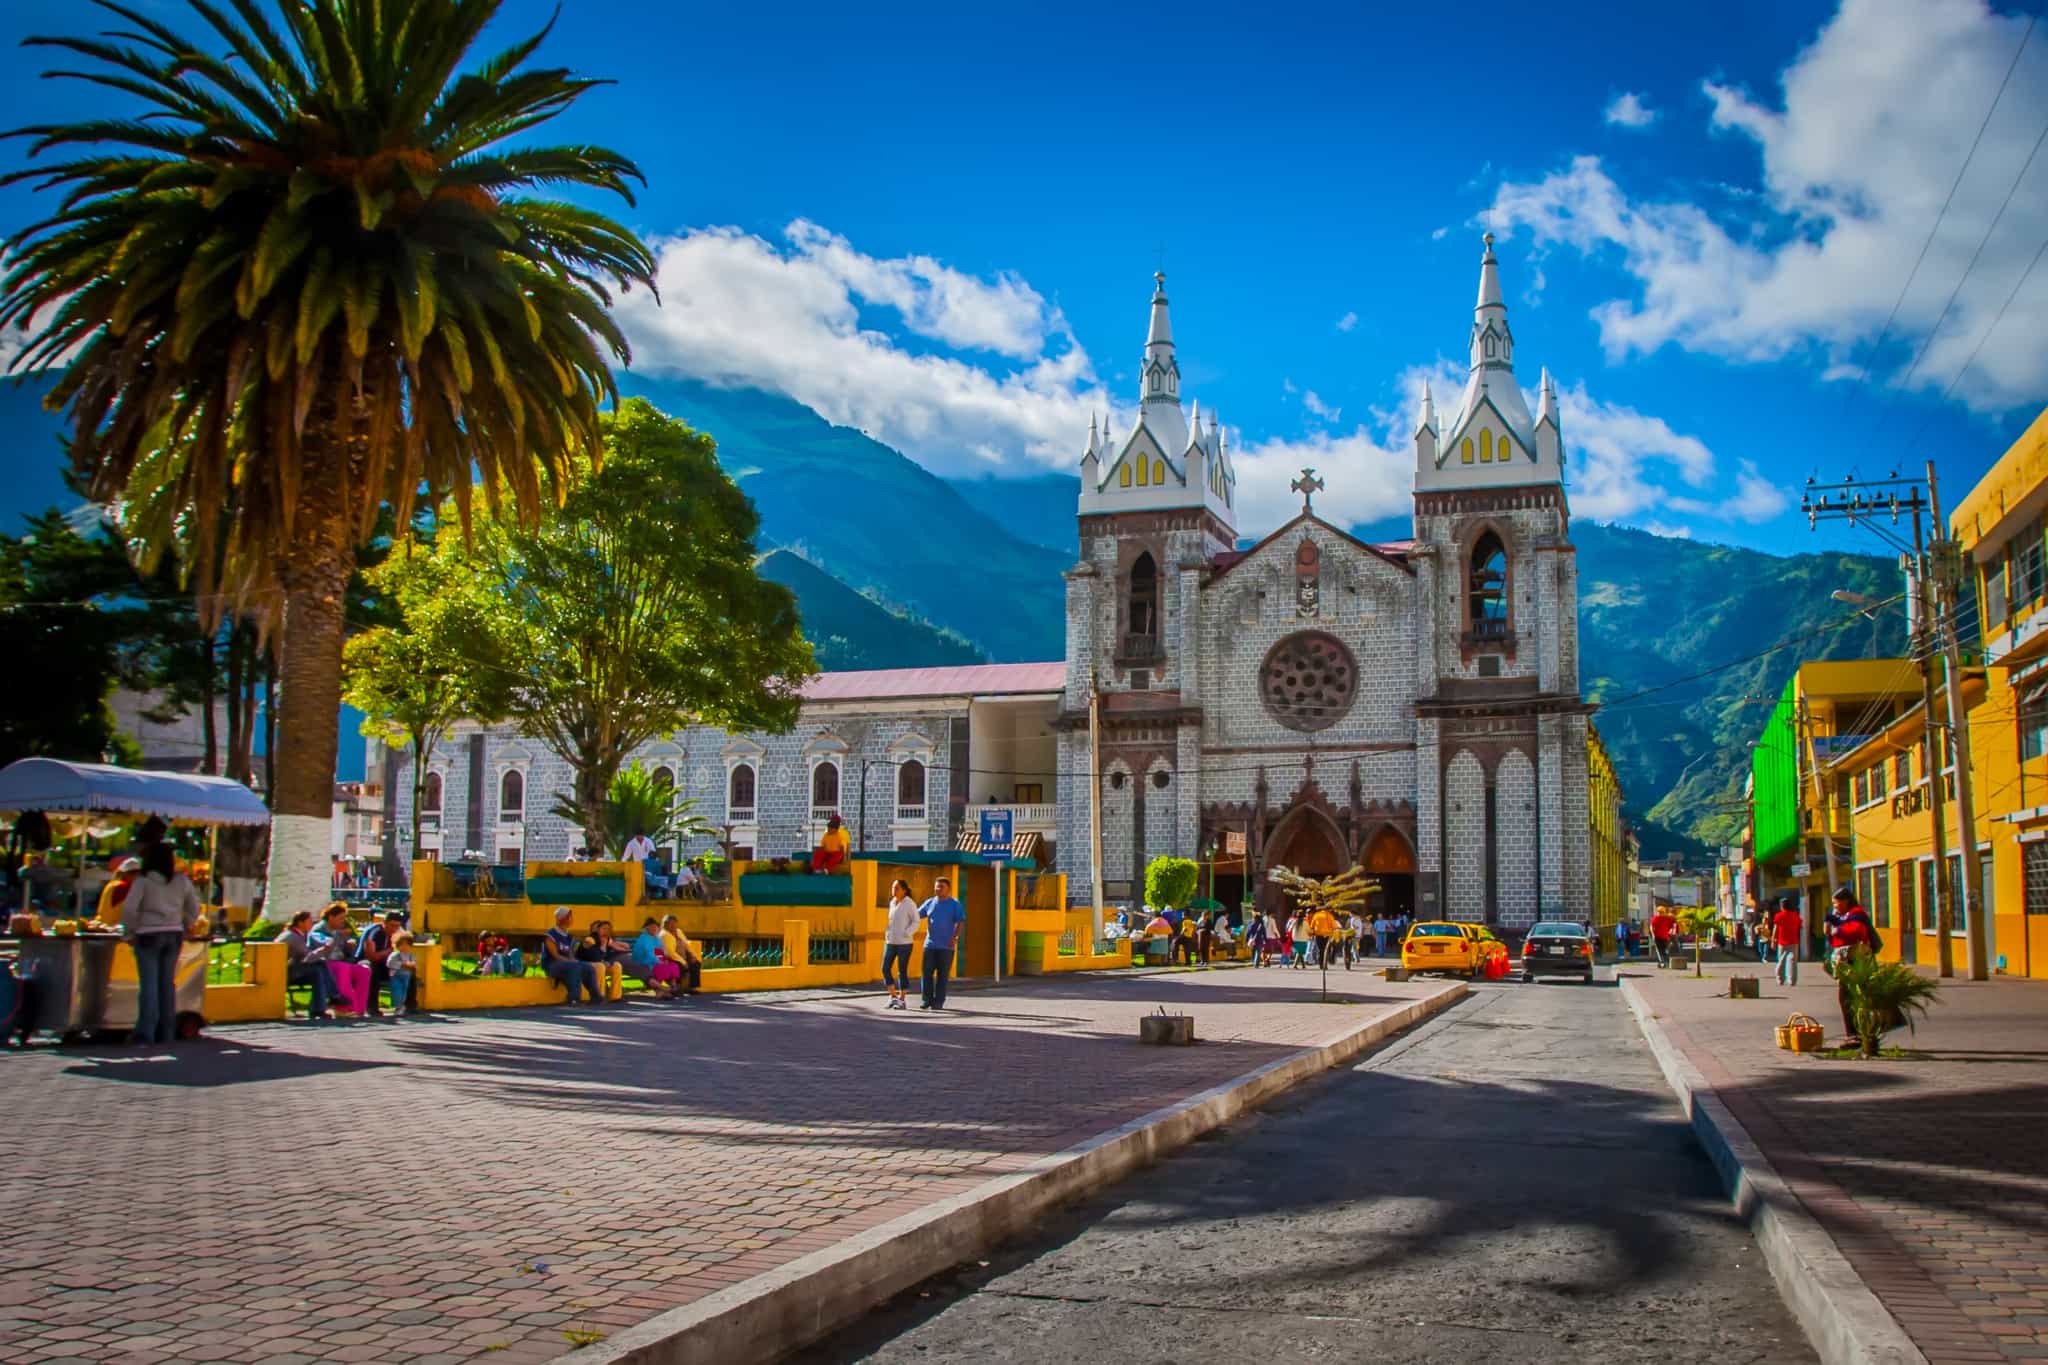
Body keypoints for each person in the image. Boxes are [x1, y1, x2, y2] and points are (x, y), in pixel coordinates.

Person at [124, 842, 203, 1046]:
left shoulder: (143, 881)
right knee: (167, 984)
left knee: (149, 985)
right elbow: (194, 908)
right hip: (174, 933)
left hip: (148, 933)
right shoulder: (181, 881)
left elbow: (130, 909)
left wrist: (130, 931)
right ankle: (166, 1032)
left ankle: (145, 1033)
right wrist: (185, 925)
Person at [1826, 886, 1878, 1045]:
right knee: (1845, 997)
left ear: (1845, 901)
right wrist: (1830, 925)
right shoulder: (1844, 916)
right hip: (1846, 961)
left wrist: (1836, 930)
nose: (1835, 907)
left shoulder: (1857, 914)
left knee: (1849, 997)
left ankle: (1857, 1034)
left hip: (1856, 961)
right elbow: (1832, 937)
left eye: (1836, 904)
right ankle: (1855, 1033)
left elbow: (1855, 932)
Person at [312, 903, 371, 1015]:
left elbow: (346, 952)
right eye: (340, 918)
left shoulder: (339, 929)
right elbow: (322, 947)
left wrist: (350, 946)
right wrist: (338, 936)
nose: (343, 921)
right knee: (342, 968)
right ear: (331, 917)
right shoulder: (319, 929)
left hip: (341, 962)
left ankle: (359, 1009)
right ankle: (344, 1007)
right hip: (325, 963)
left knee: (363, 970)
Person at [275, 909, 334, 1019]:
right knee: (318, 969)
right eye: (309, 921)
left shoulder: (296, 934)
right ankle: (328, 1000)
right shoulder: (294, 937)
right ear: (300, 923)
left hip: (289, 969)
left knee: (319, 969)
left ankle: (323, 1005)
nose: (312, 924)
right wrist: (323, 949)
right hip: (284, 973)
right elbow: (308, 957)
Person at [918, 876, 966, 1010]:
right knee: (926, 973)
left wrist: (955, 937)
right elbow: (917, 915)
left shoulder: (955, 904)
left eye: (941, 887)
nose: (938, 889)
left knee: (942, 975)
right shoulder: (930, 902)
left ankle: (938, 1002)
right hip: (930, 945)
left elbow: (960, 921)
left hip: (946, 946)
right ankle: (926, 1000)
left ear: (948, 889)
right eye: (936, 886)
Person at [542, 907, 601, 1004]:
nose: (571, 919)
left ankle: (596, 996)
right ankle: (574, 998)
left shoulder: (569, 937)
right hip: (552, 965)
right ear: (561, 919)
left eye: (570, 917)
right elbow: (555, 955)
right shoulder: (550, 935)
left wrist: (575, 961)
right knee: (575, 967)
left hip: (566, 964)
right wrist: (572, 962)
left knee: (588, 967)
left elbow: (570, 955)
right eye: (568, 917)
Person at [356, 911, 405, 1016]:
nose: (394, 929)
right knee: (373, 970)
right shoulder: (374, 932)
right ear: (384, 923)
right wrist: (389, 950)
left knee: (406, 970)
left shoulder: (398, 932)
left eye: (397, 926)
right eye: (392, 925)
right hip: (364, 962)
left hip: (384, 961)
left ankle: (407, 1005)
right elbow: (371, 956)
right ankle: (372, 1007)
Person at [883, 879, 919, 1009]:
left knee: (901, 970)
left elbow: (916, 921)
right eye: (893, 888)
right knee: (885, 968)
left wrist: (907, 933)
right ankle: (893, 997)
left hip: (904, 943)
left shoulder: (910, 904)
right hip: (891, 942)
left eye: (897, 888)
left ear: (904, 890)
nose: (894, 890)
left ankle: (902, 1000)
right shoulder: (893, 902)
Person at [629, 917, 684, 999]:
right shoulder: (644, 938)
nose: (654, 929)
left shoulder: (656, 938)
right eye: (652, 927)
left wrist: (664, 959)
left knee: (673, 965)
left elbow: (660, 951)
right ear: (647, 928)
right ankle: (661, 991)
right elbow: (649, 954)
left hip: (654, 960)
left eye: (656, 927)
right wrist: (659, 961)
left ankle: (673, 986)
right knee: (660, 968)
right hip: (644, 962)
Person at [659, 914, 702, 994]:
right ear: (665, 924)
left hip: (683, 956)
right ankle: (678, 987)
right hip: (671, 958)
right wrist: (683, 961)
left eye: (674, 923)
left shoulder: (678, 931)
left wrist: (692, 955)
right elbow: (670, 953)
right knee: (680, 966)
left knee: (696, 963)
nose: (672, 925)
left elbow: (686, 944)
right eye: (670, 923)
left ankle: (690, 987)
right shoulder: (664, 935)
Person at [96, 856, 142, 925]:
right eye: (135, 873)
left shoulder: (112, 884)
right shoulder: (123, 886)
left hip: (103, 924)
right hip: (112, 928)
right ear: (125, 874)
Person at [1772, 895, 1804, 988]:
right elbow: (1800, 926)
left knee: (1781, 961)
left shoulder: (1779, 916)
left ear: (1782, 906)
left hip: (1782, 942)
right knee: (1793, 962)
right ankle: (1792, 981)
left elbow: (1776, 928)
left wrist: (1773, 940)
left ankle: (1780, 979)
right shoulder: (1795, 915)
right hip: (1794, 941)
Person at [386, 932, 419, 1017]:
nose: (405, 947)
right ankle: (397, 1006)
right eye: (402, 945)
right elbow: (389, 963)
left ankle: (401, 1006)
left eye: (407, 945)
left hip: (406, 976)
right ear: (397, 945)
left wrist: (411, 964)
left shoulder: (410, 955)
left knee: (404, 991)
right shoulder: (395, 955)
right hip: (396, 976)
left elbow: (414, 963)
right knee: (397, 990)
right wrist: (402, 964)